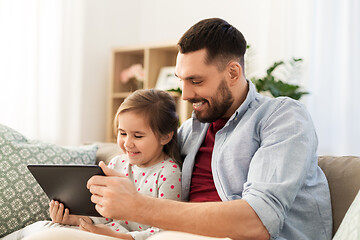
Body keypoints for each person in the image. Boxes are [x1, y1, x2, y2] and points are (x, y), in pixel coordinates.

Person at [23, 18, 332, 240]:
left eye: (196, 81)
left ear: (234, 72)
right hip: (177, 234)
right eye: (181, 81)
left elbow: (257, 223)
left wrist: (137, 206)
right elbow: (145, 165)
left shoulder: (282, 118)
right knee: (44, 234)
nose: (184, 95)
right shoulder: (191, 130)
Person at [4, 89, 182, 240]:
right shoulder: (117, 163)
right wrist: (72, 219)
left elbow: (166, 229)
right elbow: (103, 216)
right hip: (101, 232)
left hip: (122, 238)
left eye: (138, 136)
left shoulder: (168, 172)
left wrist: (119, 236)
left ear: (165, 136)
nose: (127, 143)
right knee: (39, 227)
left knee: (46, 237)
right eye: (122, 133)